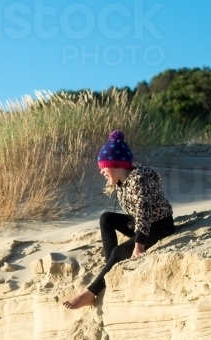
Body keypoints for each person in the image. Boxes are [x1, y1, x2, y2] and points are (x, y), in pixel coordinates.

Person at [64, 130, 175, 309]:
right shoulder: (122, 182)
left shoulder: (139, 181)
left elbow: (144, 214)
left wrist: (139, 245)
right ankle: (110, 268)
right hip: (140, 223)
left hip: (160, 226)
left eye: (103, 167)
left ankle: (89, 294)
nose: (101, 171)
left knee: (118, 252)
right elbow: (135, 216)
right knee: (106, 218)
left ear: (116, 165)